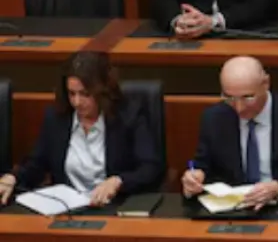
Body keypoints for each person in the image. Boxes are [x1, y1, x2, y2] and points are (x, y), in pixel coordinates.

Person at [0, 52, 161, 207]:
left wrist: (119, 181)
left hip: (114, 207)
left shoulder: (129, 117)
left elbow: (150, 168)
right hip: (66, 210)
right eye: (71, 93)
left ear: (102, 90)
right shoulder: (57, 118)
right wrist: (13, 178)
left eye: (85, 94)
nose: (77, 102)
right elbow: (37, 164)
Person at [182, 56, 278, 207]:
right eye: (229, 97)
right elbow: (203, 166)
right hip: (234, 208)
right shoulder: (214, 118)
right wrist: (195, 178)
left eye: (247, 97)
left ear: (266, 84)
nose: (239, 108)